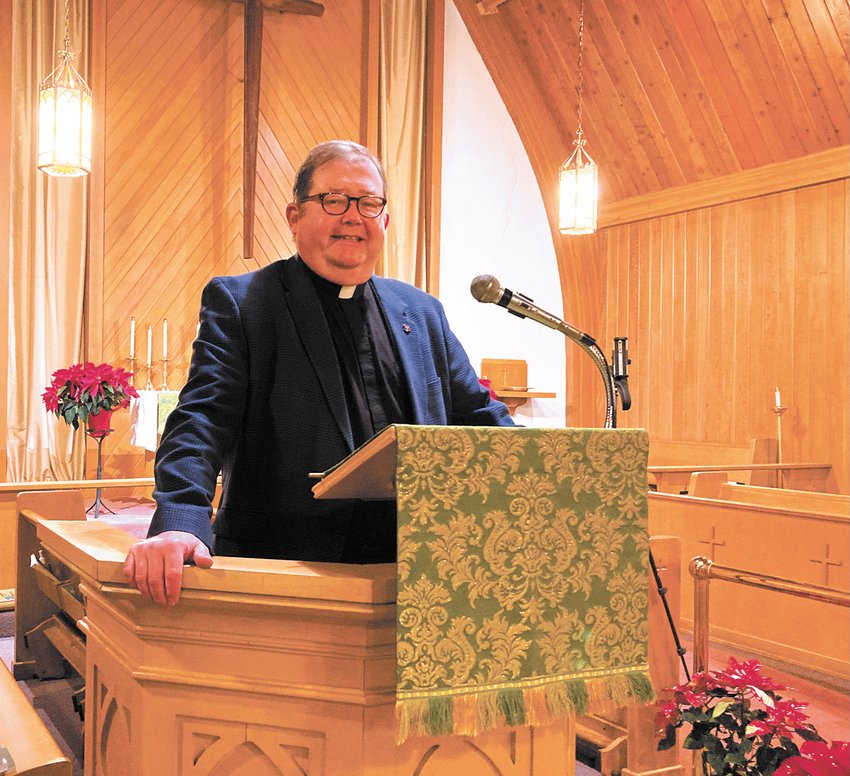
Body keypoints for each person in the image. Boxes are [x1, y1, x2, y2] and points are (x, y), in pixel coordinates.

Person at [124, 140, 514, 606]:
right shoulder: (246, 304)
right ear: (294, 217)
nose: (353, 215)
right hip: (287, 572)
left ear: (385, 222)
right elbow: (201, 421)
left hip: (418, 576)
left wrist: (550, 476)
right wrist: (180, 518)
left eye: (369, 203)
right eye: (334, 200)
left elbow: (482, 420)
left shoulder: (423, 312)